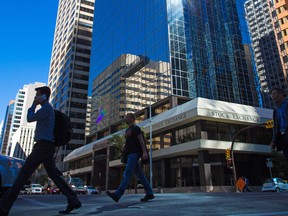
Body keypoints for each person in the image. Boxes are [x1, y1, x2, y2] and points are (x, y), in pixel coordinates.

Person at [0, 86, 81, 215]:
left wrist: (33, 105)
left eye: (37, 95)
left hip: (43, 146)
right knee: (54, 175)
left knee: (23, 175)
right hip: (45, 146)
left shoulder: (47, 109)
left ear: (43, 96)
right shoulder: (46, 109)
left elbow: (30, 118)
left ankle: (4, 207)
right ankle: (73, 200)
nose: (35, 97)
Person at [106, 113, 154, 202]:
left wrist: (144, 152)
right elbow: (128, 143)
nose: (125, 118)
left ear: (132, 118)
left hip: (134, 154)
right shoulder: (127, 130)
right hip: (129, 155)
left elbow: (141, 140)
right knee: (140, 175)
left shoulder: (136, 128)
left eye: (127, 117)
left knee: (127, 173)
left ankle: (118, 194)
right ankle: (149, 193)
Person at [270, 87, 288, 161]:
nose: (273, 96)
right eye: (271, 95)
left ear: (281, 94)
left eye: (274, 94)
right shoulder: (275, 111)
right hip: (282, 137)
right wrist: (274, 141)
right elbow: (275, 127)